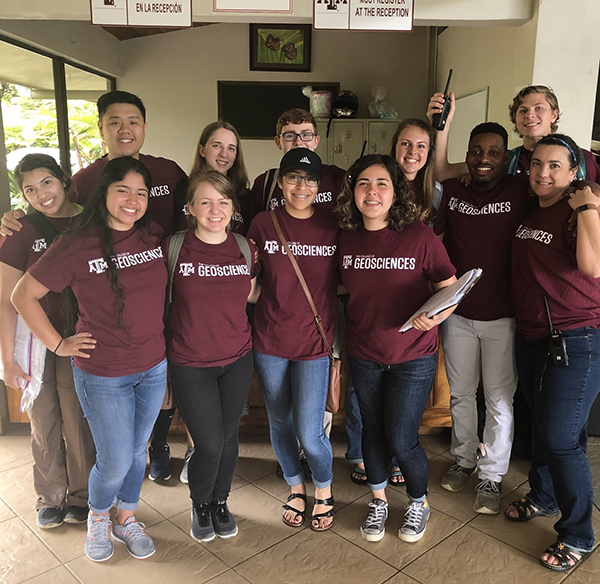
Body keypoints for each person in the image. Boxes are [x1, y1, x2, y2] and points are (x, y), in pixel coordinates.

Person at [0, 90, 187, 483]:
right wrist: (16, 214)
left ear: (145, 127)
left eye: (133, 121)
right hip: (90, 317)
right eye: (114, 121)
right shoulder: (83, 183)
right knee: (68, 419)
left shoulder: (168, 172)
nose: (124, 129)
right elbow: (51, 210)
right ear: (101, 127)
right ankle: (80, 495)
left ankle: (149, 454)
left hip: (155, 299)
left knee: (138, 404)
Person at [12, 156, 168, 563]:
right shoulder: (78, 242)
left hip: (152, 366)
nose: (132, 200)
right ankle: (98, 517)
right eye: (123, 191)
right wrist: (58, 345)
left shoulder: (151, 235)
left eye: (141, 192)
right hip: (103, 373)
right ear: (104, 194)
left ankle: (126, 517)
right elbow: (21, 295)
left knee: (137, 453)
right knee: (115, 458)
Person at [337, 154, 456, 543]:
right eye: (363, 184)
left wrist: (434, 317)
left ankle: (418, 502)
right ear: (353, 191)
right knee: (371, 430)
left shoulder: (419, 235)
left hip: (413, 355)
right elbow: (339, 286)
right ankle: (378, 500)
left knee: (402, 437)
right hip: (365, 351)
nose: (372, 192)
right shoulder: (346, 237)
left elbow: (451, 289)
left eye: (381, 184)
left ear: (395, 191)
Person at [506, 134, 600, 572]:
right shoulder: (533, 207)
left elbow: (592, 266)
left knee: (562, 439)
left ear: (574, 171)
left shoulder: (578, 209)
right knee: (547, 425)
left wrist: (586, 207)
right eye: (537, 164)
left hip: (574, 338)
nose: (543, 172)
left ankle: (579, 534)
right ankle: (543, 497)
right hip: (532, 337)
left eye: (555, 166)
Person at [434, 122, 533, 514]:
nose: (484, 159)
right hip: (458, 313)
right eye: (477, 151)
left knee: (498, 399)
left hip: (503, 316)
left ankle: (491, 475)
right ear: (468, 153)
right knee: (460, 394)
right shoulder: (454, 191)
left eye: (494, 152)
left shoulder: (519, 190)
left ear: (505, 157)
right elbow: (439, 174)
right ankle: (463, 459)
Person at [0, 154, 95, 529]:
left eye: (47, 183)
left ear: (63, 180)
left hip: (80, 336)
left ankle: (82, 496)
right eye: (29, 189)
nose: (41, 194)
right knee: (43, 418)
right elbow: (7, 299)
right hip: (36, 341)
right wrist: (7, 359)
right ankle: (50, 496)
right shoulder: (20, 230)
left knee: (77, 418)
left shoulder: (91, 218)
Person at [166, 171, 259, 542]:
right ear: (190, 208)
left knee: (230, 436)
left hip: (237, 356)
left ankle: (221, 502)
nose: (214, 209)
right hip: (190, 361)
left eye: (222, 201)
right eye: (205, 202)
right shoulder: (172, 248)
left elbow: (252, 294)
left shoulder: (243, 247)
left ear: (233, 208)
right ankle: (200, 503)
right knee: (209, 442)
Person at [247, 148, 337, 532]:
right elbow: (248, 282)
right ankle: (296, 487)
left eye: (310, 179)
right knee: (280, 421)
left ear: (319, 186)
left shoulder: (334, 226)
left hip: (314, 342)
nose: (302, 186)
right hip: (269, 340)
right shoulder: (263, 224)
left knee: (311, 431)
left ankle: (324, 490)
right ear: (280, 182)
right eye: (294, 178)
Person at [428, 85, 600, 182]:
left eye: (538, 108)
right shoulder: (505, 160)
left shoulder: (584, 160)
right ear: (515, 118)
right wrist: (442, 126)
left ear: (554, 115)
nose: (530, 115)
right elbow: (442, 173)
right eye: (523, 110)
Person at [249, 107, 345, 217]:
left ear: (316, 141)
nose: (298, 142)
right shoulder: (265, 184)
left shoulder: (337, 177)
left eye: (306, 135)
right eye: (290, 136)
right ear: (278, 142)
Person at [188, 121, 252, 234]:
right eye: (217, 145)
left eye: (231, 148)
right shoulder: (182, 190)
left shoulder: (245, 196)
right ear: (202, 150)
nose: (224, 154)